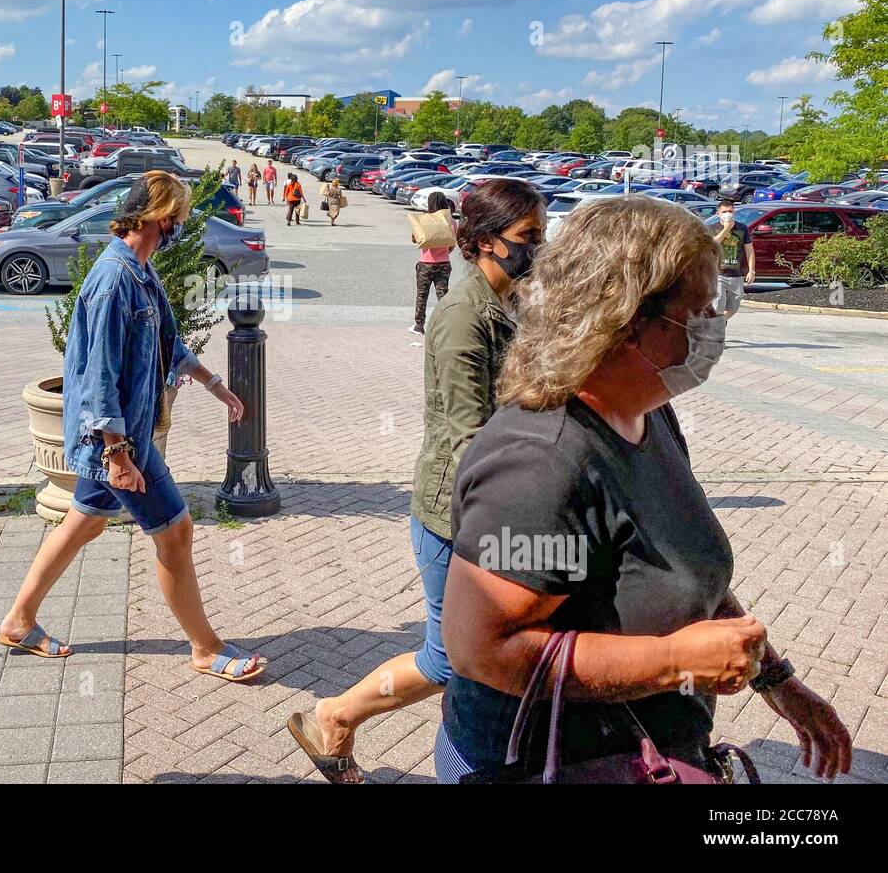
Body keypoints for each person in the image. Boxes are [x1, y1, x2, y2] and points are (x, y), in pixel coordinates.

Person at [435, 196, 852, 783]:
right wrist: (675, 661)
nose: (715, 327)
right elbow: (486, 651)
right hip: (549, 762)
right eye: (701, 311)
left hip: (645, 748)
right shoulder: (541, 463)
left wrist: (775, 680)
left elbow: (675, 572)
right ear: (628, 323)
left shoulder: (646, 413)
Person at [287, 179, 546, 783]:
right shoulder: (463, 315)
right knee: (455, 657)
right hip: (455, 513)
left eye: (543, 234)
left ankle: (335, 717)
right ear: (485, 242)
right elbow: (466, 436)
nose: (541, 248)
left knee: (461, 656)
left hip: (484, 507)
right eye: (529, 237)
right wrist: (506, 518)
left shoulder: (508, 301)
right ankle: (336, 714)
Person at [0, 171, 266, 682]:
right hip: (118, 441)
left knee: (86, 520)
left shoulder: (140, 271)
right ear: (162, 219)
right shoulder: (114, 279)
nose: (182, 231)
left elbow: (165, 342)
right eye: (181, 222)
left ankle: (18, 620)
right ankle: (206, 647)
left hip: (128, 435)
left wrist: (213, 384)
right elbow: (99, 374)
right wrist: (117, 454)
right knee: (176, 531)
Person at [410, 190, 457, 335]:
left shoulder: (425, 220)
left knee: (422, 295)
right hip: (444, 263)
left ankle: (419, 325)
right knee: (443, 295)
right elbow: (452, 242)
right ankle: (447, 324)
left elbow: (415, 239)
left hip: (426, 263)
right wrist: (444, 253)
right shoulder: (452, 222)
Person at [706, 195, 754, 319]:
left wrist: (751, 270)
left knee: (734, 305)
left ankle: (720, 322)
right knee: (718, 304)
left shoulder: (742, 228)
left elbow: (749, 250)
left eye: (730, 211)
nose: (728, 214)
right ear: (718, 214)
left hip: (736, 273)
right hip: (718, 273)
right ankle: (716, 331)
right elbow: (713, 244)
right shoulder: (712, 228)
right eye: (724, 212)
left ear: (734, 212)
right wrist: (726, 228)